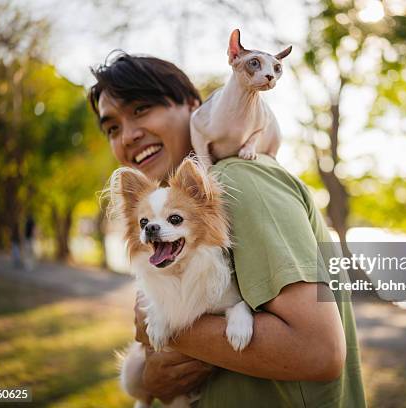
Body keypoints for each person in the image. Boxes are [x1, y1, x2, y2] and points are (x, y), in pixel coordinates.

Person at [88, 52, 366, 407]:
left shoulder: (237, 179)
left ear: (192, 105)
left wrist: (163, 329)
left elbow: (319, 350)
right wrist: (149, 378)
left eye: (141, 109)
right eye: (112, 128)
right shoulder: (187, 208)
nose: (127, 136)